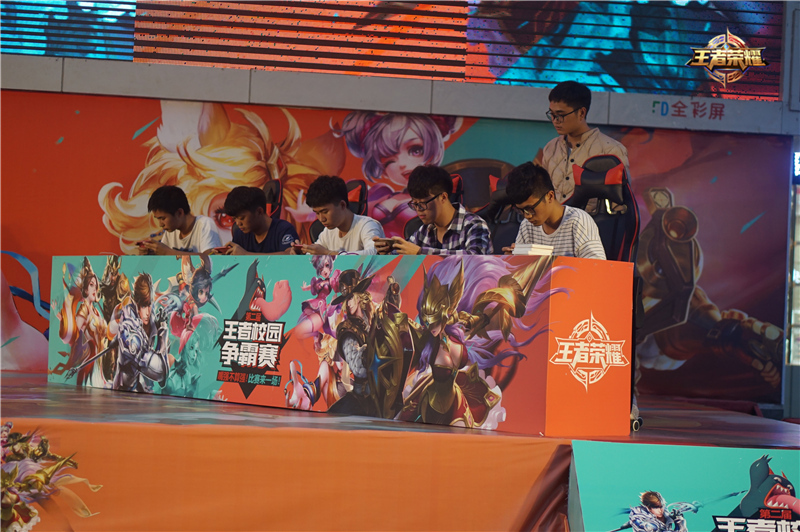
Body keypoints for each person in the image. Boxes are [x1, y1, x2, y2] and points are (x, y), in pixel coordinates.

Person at [335, 111, 462, 237]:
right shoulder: (381, 193)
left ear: (443, 198)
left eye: (415, 150)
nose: (402, 164)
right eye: (390, 160)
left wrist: (414, 248)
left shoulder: (462, 224)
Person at [535, 81, 629, 203]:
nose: (555, 120)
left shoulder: (611, 150)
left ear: (581, 113)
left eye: (560, 115)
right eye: (552, 114)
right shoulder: (551, 147)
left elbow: (622, 203)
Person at [376, 165, 492, 255]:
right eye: (415, 204)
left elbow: (475, 259)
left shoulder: (474, 225)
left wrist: (421, 252)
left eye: (423, 203)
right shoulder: (425, 230)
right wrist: (387, 252)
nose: (418, 209)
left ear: (443, 197)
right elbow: (407, 252)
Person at [502, 162, 606, 260]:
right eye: (521, 210)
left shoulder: (578, 222)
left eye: (530, 209)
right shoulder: (527, 226)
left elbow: (597, 267)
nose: (527, 216)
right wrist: (512, 261)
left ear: (550, 196)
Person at [293, 175, 384, 255]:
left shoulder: (367, 225)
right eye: (317, 213)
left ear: (342, 205)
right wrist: (302, 255)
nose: (321, 219)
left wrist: (328, 253)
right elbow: (315, 254)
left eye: (325, 212)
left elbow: (373, 253)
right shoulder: (327, 233)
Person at [139, 185, 221, 255]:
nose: (161, 224)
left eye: (163, 218)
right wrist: (151, 254)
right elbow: (166, 259)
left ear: (179, 213)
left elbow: (211, 259)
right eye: (158, 219)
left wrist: (167, 252)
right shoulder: (171, 231)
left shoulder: (205, 224)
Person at [221, 186, 298, 255]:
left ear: (259, 211)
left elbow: (289, 255)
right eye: (234, 218)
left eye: (242, 218)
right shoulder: (240, 234)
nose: (238, 223)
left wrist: (246, 255)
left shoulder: (284, 229)